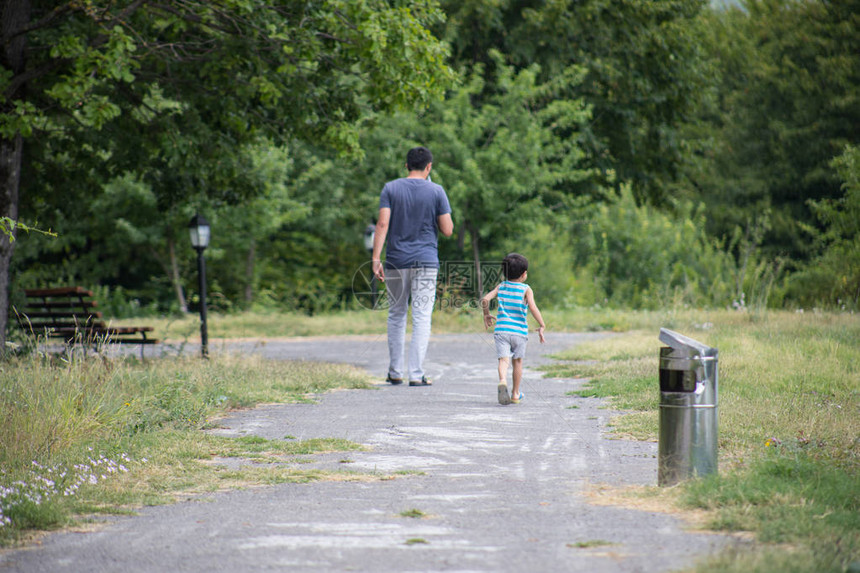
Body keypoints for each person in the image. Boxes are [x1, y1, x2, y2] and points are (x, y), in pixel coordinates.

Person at [372, 146, 453, 387]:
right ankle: (416, 374)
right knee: (421, 317)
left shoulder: (390, 188)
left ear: (406, 165)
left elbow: (382, 223)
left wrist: (376, 258)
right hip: (426, 262)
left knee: (396, 314)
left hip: (396, 260)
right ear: (429, 167)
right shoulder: (437, 191)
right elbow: (448, 230)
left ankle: (395, 372)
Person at [481, 253, 546, 405]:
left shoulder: (501, 286)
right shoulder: (526, 289)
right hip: (519, 333)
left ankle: (502, 380)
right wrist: (542, 325)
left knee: (504, 360)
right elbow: (533, 307)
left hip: (502, 331)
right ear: (524, 274)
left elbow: (485, 299)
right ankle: (515, 393)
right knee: (517, 362)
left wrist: (486, 315)